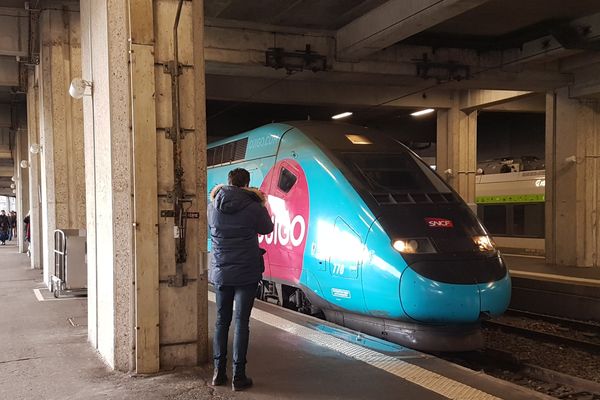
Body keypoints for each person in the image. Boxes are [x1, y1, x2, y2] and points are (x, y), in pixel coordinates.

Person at [208, 168, 274, 391]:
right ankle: (238, 376)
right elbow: (267, 228)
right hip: (246, 272)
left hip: (221, 272)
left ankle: (218, 373)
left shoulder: (213, 207)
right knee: (241, 323)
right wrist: (262, 203)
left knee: (221, 322)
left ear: (229, 182)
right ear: (246, 184)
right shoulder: (254, 207)